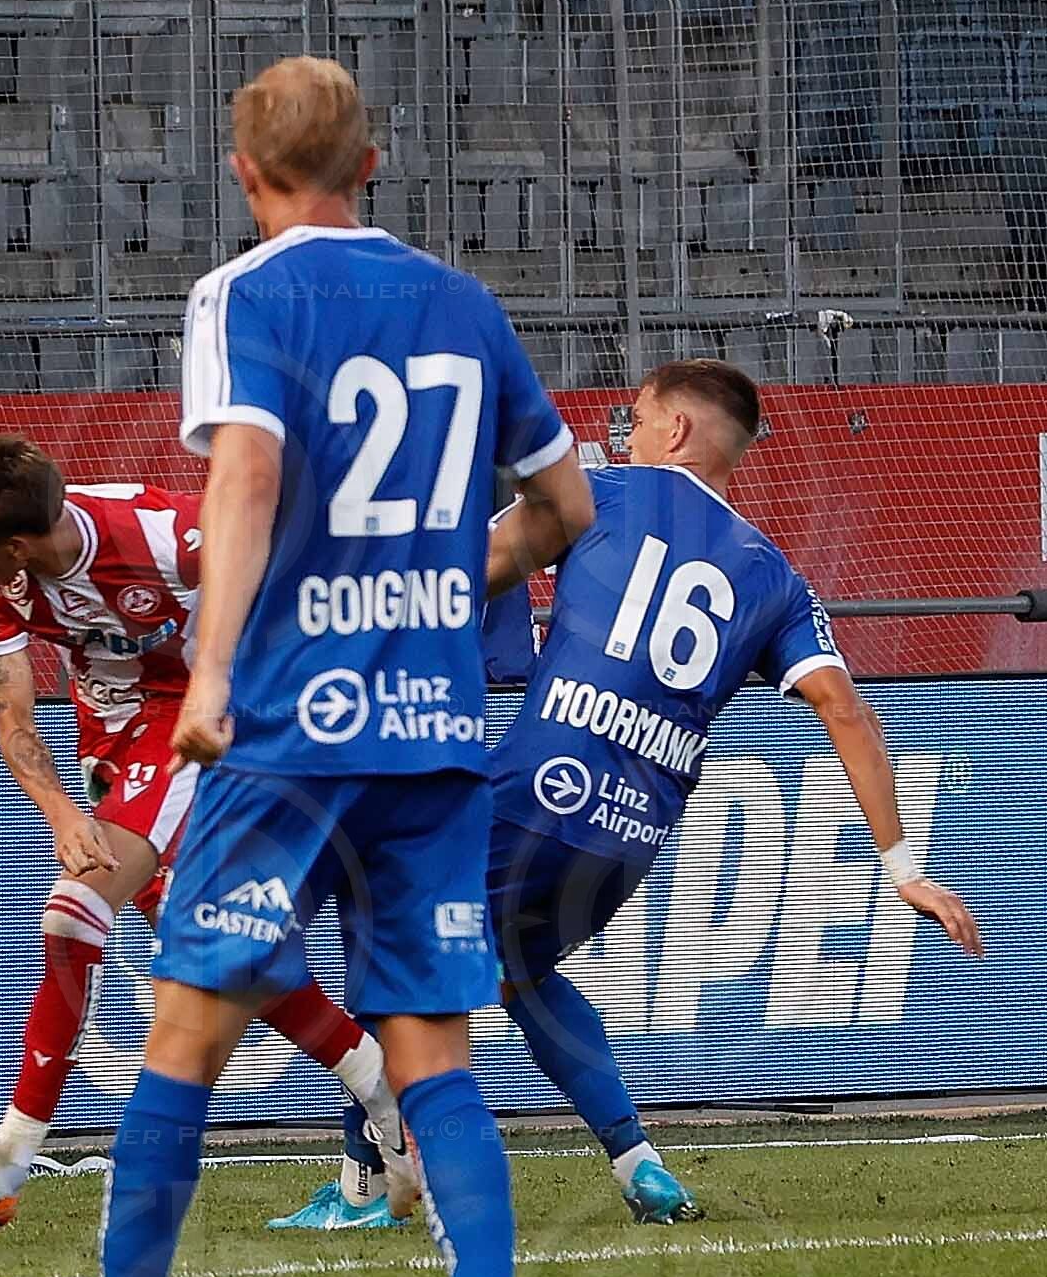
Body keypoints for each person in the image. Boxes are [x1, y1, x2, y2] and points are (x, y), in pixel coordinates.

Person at [60, 54, 596, 1277]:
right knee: (433, 1054)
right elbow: (564, 511)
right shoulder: (463, 304)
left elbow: (244, 474)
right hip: (431, 734)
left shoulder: (242, 294)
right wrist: (445, 585)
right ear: (372, 163)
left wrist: (211, 672)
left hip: (290, 735)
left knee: (185, 1037)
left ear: (242, 174)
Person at [273, 359, 982, 1225]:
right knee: (521, 972)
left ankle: (368, 1181)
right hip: (631, 836)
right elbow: (846, 710)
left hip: (535, 792)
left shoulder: (599, 496)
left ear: (676, 431)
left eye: (638, 416)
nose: (625, 430)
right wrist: (904, 868)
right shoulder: (776, 578)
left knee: (392, 931)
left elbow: (464, 573)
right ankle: (640, 1165)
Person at [0, 437, 408, 1233]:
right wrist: (63, 813)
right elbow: (12, 713)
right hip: (112, 739)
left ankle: (2, 1163)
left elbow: (302, 584)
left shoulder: (168, 539)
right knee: (225, 955)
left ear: (18, 546)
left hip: (203, 722)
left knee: (72, 915)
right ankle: (388, 1093)